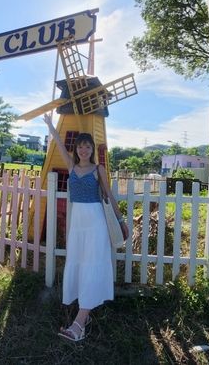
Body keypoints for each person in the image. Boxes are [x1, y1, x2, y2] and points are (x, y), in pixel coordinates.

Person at [43, 113, 129, 342]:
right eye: (80, 146)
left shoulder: (98, 170)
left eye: (87, 146)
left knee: (91, 265)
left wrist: (121, 222)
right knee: (80, 264)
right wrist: (51, 125)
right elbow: (60, 145)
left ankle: (78, 325)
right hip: (78, 224)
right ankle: (85, 313)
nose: (83, 150)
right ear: (76, 149)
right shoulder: (71, 167)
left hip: (96, 222)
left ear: (92, 149)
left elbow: (109, 196)